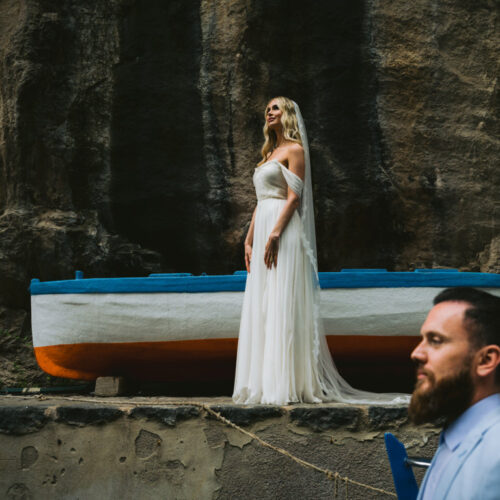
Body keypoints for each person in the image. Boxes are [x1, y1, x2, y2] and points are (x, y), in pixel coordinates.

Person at [232, 96, 409, 405]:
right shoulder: (269, 154)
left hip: (283, 229)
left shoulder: (295, 150)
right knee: (263, 299)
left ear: (287, 113)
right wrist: (249, 239)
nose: (269, 112)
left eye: (275, 108)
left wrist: (275, 233)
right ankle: (262, 380)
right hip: (263, 225)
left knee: (281, 298)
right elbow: (261, 202)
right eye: (267, 109)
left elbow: (294, 198)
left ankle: (286, 383)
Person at [409, 287, 500, 500]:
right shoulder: (457, 437)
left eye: (435, 340)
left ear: (486, 360)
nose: (416, 353)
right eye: (422, 339)